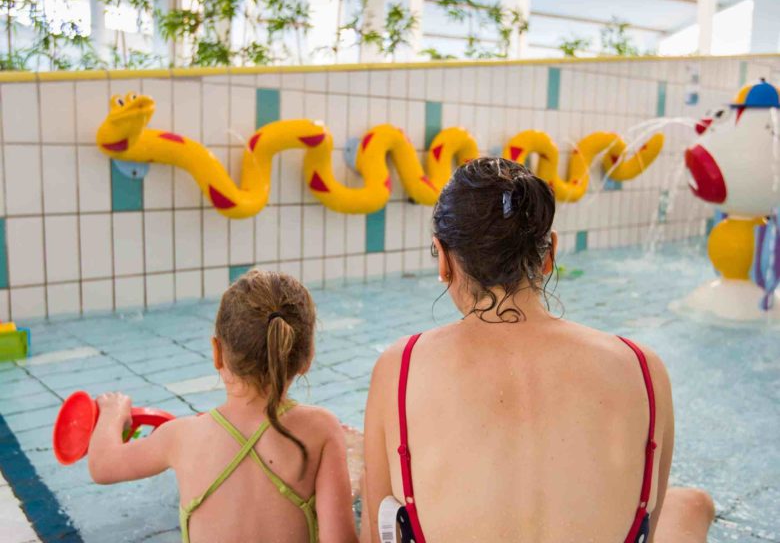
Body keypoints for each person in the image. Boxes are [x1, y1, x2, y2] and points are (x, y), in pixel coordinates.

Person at [362, 158, 714, 542]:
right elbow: (652, 520)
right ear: (550, 254)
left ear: (443, 259)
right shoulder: (644, 367)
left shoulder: (401, 366)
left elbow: (375, 533)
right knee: (694, 503)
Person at [88, 270, 359, 543]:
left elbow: (102, 466)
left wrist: (112, 412)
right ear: (307, 358)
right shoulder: (322, 429)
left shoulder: (179, 436)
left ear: (217, 352)